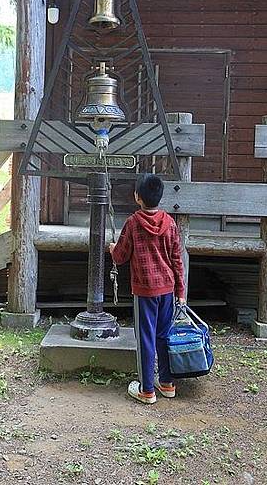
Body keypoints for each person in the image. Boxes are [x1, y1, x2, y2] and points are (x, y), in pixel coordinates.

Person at [109, 173, 186, 404]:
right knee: (164, 336)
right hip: (167, 289)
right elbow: (177, 259)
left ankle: (146, 390)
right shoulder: (170, 223)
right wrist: (181, 292)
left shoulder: (133, 223)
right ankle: (167, 383)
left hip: (144, 291)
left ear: (137, 197)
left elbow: (121, 256)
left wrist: (112, 248)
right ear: (160, 197)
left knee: (145, 339)